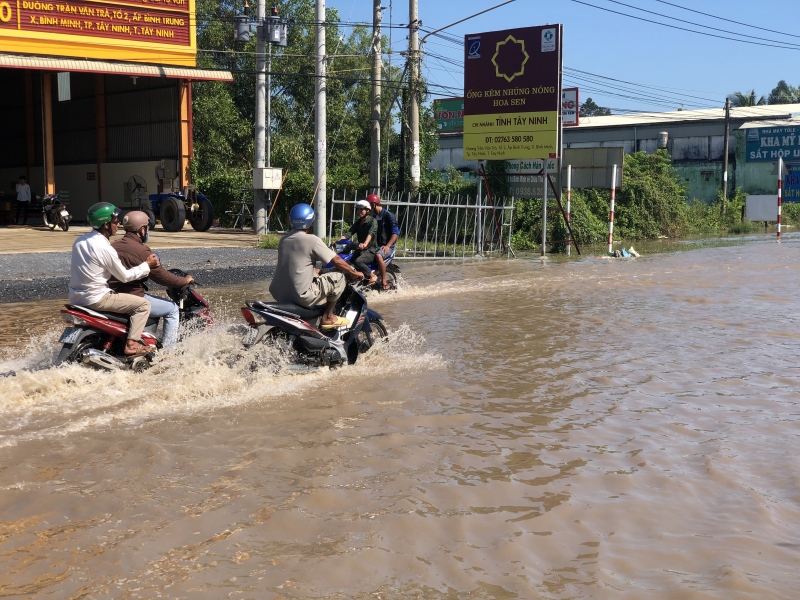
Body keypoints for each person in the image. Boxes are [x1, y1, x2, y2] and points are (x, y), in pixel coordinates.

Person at [68, 203, 160, 357]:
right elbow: (125, 276)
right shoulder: (105, 247)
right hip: (97, 298)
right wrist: (147, 265)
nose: (118, 223)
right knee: (143, 305)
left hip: (77, 298)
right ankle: (132, 345)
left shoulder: (80, 241)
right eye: (115, 220)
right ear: (106, 224)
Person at [269, 203, 364, 329]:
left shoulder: (284, 240)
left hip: (278, 294)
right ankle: (328, 317)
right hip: (301, 296)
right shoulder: (312, 240)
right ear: (310, 222)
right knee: (340, 276)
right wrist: (354, 273)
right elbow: (336, 260)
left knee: (319, 274)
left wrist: (315, 272)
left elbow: (297, 263)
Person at [108, 211, 194, 347]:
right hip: (132, 296)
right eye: (147, 228)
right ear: (142, 230)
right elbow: (161, 277)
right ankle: (168, 353)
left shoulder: (113, 245)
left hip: (111, 295)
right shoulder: (142, 251)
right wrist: (183, 281)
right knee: (172, 309)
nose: (147, 231)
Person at [366, 193, 400, 290]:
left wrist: (388, 246)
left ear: (373, 204)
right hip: (377, 245)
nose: (368, 210)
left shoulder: (388, 215)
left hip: (387, 247)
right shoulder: (374, 217)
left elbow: (395, 233)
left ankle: (384, 281)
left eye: (369, 207)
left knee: (378, 255)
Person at [342, 199, 378, 285]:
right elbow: (349, 233)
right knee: (347, 262)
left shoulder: (372, 221)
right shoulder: (358, 223)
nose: (359, 211)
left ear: (367, 210)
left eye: (361, 209)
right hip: (360, 249)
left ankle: (372, 276)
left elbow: (371, 233)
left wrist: (365, 244)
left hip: (370, 250)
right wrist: (338, 241)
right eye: (358, 209)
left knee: (358, 261)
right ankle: (355, 279)